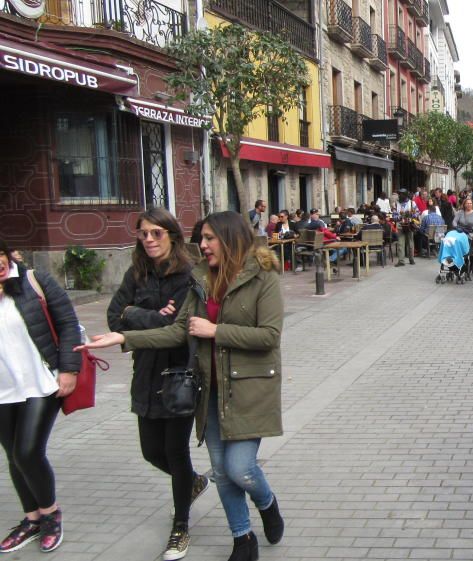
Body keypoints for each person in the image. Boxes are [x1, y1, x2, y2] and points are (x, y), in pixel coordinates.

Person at [79, 211, 286, 561]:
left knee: (240, 468)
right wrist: (123, 336)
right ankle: (242, 538)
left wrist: (214, 330)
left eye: (208, 238)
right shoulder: (202, 280)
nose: (202, 246)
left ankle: (266, 503)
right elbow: (177, 330)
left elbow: (269, 336)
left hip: (249, 391)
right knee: (220, 472)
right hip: (211, 391)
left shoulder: (262, 278)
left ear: (230, 238)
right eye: (200, 239)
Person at [105, 209, 207, 560]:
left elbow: (178, 331)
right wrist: (145, 315)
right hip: (145, 372)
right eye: (143, 234)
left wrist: (133, 316)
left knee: (176, 453)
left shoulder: (187, 278)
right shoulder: (137, 273)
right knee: (151, 451)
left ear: (173, 237)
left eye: (156, 233)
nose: (148, 240)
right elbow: (113, 316)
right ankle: (193, 482)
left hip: (178, 375)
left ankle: (180, 526)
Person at [0, 241, 81, 554]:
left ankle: (50, 514)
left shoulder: (34, 281)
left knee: (28, 452)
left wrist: (69, 369)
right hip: (4, 389)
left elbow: (68, 324)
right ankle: (31, 519)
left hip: (41, 382)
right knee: (13, 455)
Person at [393, 191, 419, 267]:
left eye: (401, 194)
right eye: (399, 194)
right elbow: (394, 215)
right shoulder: (396, 204)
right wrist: (400, 216)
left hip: (409, 225)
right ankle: (401, 261)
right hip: (400, 225)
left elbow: (417, 212)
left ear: (405, 195)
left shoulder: (412, 203)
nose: (399, 196)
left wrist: (411, 214)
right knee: (400, 243)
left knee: (410, 243)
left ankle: (411, 259)